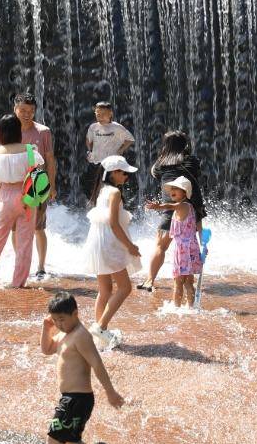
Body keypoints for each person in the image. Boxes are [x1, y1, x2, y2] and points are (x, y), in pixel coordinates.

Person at [41, 293, 124, 444]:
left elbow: (97, 364)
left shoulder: (81, 336)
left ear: (75, 313)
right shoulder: (64, 334)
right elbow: (46, 350)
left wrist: (110, 392)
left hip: (77, 398)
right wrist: (46, 329)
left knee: (56, 438)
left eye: (62, 319)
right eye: (55, 320)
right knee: (69, 442)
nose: (58, 324)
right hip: (72, 398)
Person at [83, 156, 141, 351]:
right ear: (114, 173)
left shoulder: (102, 191)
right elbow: (114, 225)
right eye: (123, 172)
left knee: (105, 290)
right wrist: (130, 246)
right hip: (110, 244)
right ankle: (100, 327)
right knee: (125, 288)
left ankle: (100, 335)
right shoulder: (115, 192)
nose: (126, 176)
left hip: (98, 243)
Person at [0, 115, 44, 290]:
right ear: (18, 131)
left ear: (0, 132)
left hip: (5, 196)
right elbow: (37, 173)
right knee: (25, 242)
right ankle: (18, 283)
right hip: (27, 196)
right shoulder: (31, 151)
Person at [140, 131, 205, 292]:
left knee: (160, 247)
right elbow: (197, 174)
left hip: (171, 209)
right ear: (185, 145)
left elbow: (154, 174)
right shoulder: (192, 160)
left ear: (166, 146)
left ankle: (149, 280)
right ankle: (189, 280)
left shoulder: (160, 164)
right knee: (195, 244)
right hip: (192, 208)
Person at [12, 93, 56, 281]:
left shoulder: (43, 131)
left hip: (38, 185)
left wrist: (52, 186)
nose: (26, 114)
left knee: (38, 227)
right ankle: (20, 261)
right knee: (15, 229)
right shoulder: (8, 130)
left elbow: (50, 159)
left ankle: (41, 266)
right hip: (14, 185)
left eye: (30, 111)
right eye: (22, 110)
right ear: (15, 110)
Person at [144, 176, 200, 308]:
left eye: (177, 188)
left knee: (178, 281)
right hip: (191, 248)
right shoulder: (190, 207)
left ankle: (176, 308)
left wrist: (158, 206)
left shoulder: (182, 205)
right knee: (189, 282)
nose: (172, 191)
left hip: (182, 250)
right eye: (172, 188)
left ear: (185, 193)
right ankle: (191, 307)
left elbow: (170, 205)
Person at [84, 102, 134, 199]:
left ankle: (117, 206)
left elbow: (130, 139)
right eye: (98, 114)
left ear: (110, 114)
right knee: (97, 187)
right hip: (97, 162)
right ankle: (98, 207)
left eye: (103, 114)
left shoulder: (117, 127)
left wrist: (121, 150)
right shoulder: (93, 127)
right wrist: (89, 151)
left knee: (113, 187)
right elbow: (88, 140)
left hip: (112, 164)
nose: (100, 117)